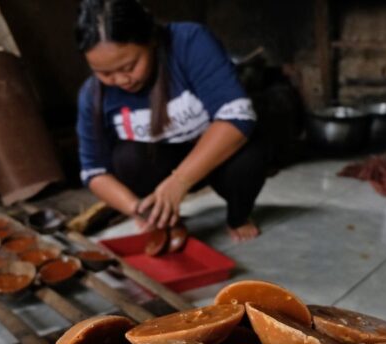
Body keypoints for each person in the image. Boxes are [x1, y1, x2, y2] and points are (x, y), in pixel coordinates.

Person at [75, 0, 267, 242]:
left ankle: (238, 216)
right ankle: (165, 218)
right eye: (104, 73)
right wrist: (137, 208)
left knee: (249, 156)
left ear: (151, 40)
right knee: (128, 158)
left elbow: (238, 115)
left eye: (129, 66)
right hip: (158, 166)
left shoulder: (189, 42)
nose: (121, 80)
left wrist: (180, 181)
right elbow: (94, 170)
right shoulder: (91, 95)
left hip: (214, 158)